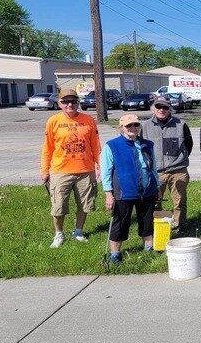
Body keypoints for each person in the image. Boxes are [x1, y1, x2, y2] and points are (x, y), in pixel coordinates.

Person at [40, 88, 101, 248]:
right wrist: (44, 170)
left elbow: (96, 146)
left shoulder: (88, 120)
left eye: (73, 101)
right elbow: (47, 148)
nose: (70, 104)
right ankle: (59, 234)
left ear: (78, 102)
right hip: (60, 171)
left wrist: (100, 166)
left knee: (85, 205)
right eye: (65, 101)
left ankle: (78, 231)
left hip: (85, 171)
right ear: (59, 103)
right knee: (58, 206)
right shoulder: (53, 121)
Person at [101, 114, 161, 265]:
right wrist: (108, 194)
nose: (133, 128)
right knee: (120, 223)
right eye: (129, 126)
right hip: (124, 192)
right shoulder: (112, 146)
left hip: (147, 191)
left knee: (147, 221)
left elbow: (153, 168)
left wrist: (157, 186)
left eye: (136, 125)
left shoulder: (148, 144)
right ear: (122, 128)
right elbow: (106, 172)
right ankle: (115, 254)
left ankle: (148, 248)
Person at [140, 96, 193, 232]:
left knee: (180, 201)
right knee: (154, 201)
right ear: (153, 108)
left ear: (170, 109)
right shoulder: (144, 126)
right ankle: (158, 228)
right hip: (156, 172)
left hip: (178, 170)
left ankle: (180, 227)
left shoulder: (181, 124)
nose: (161, 110)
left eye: (165, 107)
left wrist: (179, 160)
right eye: (158, 106)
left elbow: (188, 145)